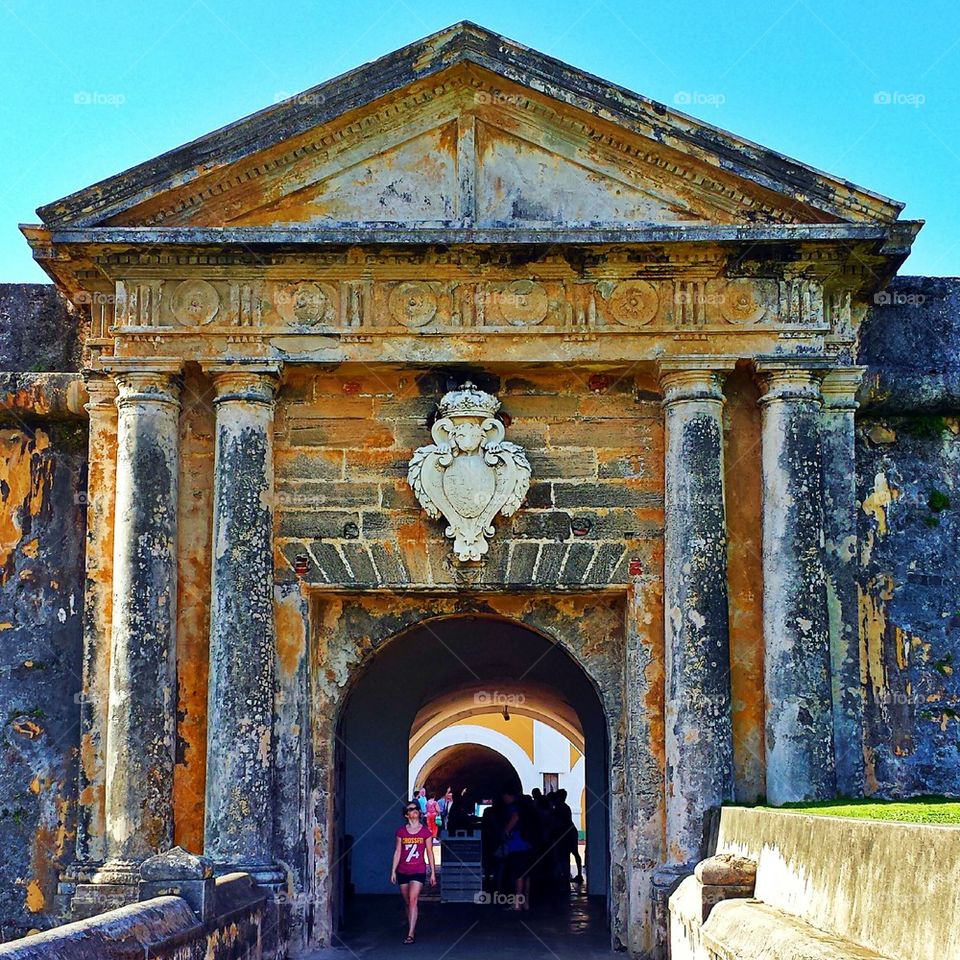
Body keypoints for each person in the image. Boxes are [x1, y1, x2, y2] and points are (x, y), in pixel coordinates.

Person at [390, 801, 436, 944]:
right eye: (411, 809)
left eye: (416, 809)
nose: (415, 811)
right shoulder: (401, 832)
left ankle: (410, 933)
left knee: (413, 899)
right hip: (403, 870)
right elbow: (398, 851)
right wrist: (393, 870)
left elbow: (429, 852)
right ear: (406, 814)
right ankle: (411, 924)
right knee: (407, 902)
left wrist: (432, 872)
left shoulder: (425, 832)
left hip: (418, 870)